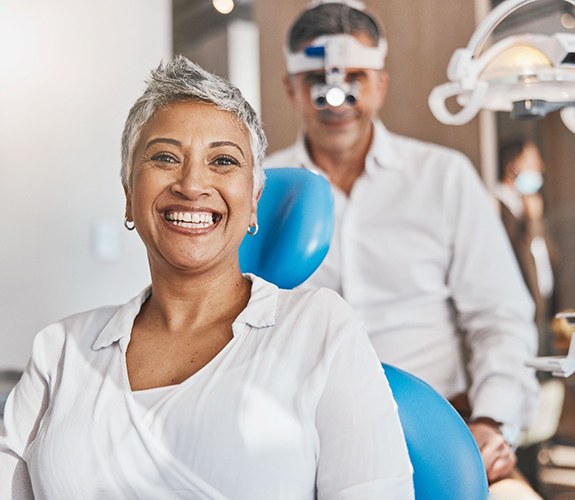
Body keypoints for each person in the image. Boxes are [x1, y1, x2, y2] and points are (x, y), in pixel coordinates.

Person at [0, 55, 414, 499]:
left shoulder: (318, 327)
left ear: (254, 200)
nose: (192, 184)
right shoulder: (60, 350)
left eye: (223, 161)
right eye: (164, 157)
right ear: (128, 195)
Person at [265, 0, 540, 488]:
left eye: (355, 79)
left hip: (447, 430)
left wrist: (493, 420)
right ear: (291, 89)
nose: (337, 99)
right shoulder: (261, 192)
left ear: (381, 84)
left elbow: (500, 317)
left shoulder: (444, 178)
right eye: (318, 83)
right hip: (307, 443)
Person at [495, 137, 557, 355]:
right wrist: (531, 221)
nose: (540, 168)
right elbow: (516, 254)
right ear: (512, 166)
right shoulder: (497, 205)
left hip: (541, 308)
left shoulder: (529, 202)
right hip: (517, 310)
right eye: (532, 161)